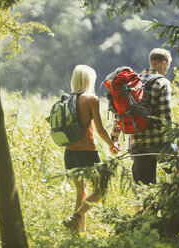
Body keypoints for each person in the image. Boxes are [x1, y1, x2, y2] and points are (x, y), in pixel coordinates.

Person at [111, 48, 179, 186]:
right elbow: (165, 117)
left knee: (143, 186)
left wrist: (114, 137)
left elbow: (120, 112)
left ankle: (144, 207)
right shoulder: (162, 83)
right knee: (175, 166)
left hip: (136, 143)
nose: (166, 70)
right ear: (162, 63)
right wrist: (171, 140)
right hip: (158, 141)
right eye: (167, 66)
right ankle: (175, 199)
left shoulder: (132, 82)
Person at [62, 64, 120, 233]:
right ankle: (75, 218)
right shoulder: (92, 100)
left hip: (69, 153)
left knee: (81, 193)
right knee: (101, 189)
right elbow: (100, 130)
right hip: (86, 153)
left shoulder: (66, 100)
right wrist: (112, 144)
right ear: (89, 80)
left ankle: (79, 233)